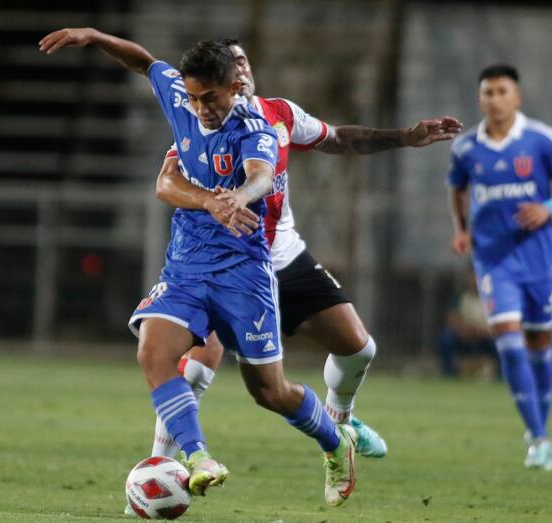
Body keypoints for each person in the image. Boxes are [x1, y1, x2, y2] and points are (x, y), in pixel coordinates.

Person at [39, 29, 358, 507]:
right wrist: (94, 36)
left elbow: (262, 175)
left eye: (211, 97)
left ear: (234, 87)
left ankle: (337, 442)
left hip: (245, 274)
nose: (202, 107)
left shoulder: (255, 128)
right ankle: (198, 458)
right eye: (194, 97)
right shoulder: (182, 100)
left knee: (270, 392)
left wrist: (240, 198)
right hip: (187, 267)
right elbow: (145, 61)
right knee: (153, 352)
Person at [149, 38, 462, 462]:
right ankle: (162, 467)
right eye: (233, 64)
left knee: (360, 349)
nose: (241, 71)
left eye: (244, 61)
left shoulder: (279, 115)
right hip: (225, 263)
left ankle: (341, 418)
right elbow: (171, 178)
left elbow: (338, 139)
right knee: (197, 368)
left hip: (283, 256)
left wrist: (405, 137)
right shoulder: (201, 124)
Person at [446, 64, 552, 471]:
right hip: (493, 259)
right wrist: (461, 229)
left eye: (502, 91)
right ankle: (538, 438)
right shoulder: (466, 148)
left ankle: (542, 429)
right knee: (508, 339)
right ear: (480, 98)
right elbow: (456, 188)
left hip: (539, 260)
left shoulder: (541, 140)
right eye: (487, 92)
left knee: (540, 345)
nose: (494, 99)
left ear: (517, 97)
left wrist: (550, 207)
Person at [437, 271, 497, 378]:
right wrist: (463, 330)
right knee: (446, 338)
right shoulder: (460, 297)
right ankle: (449, 373)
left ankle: (500, 376)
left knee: (501, 342)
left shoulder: (493, 298)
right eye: (473, 277)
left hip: (486, 337)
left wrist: (484, 332)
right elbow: (451, 319)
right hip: (464, 336)